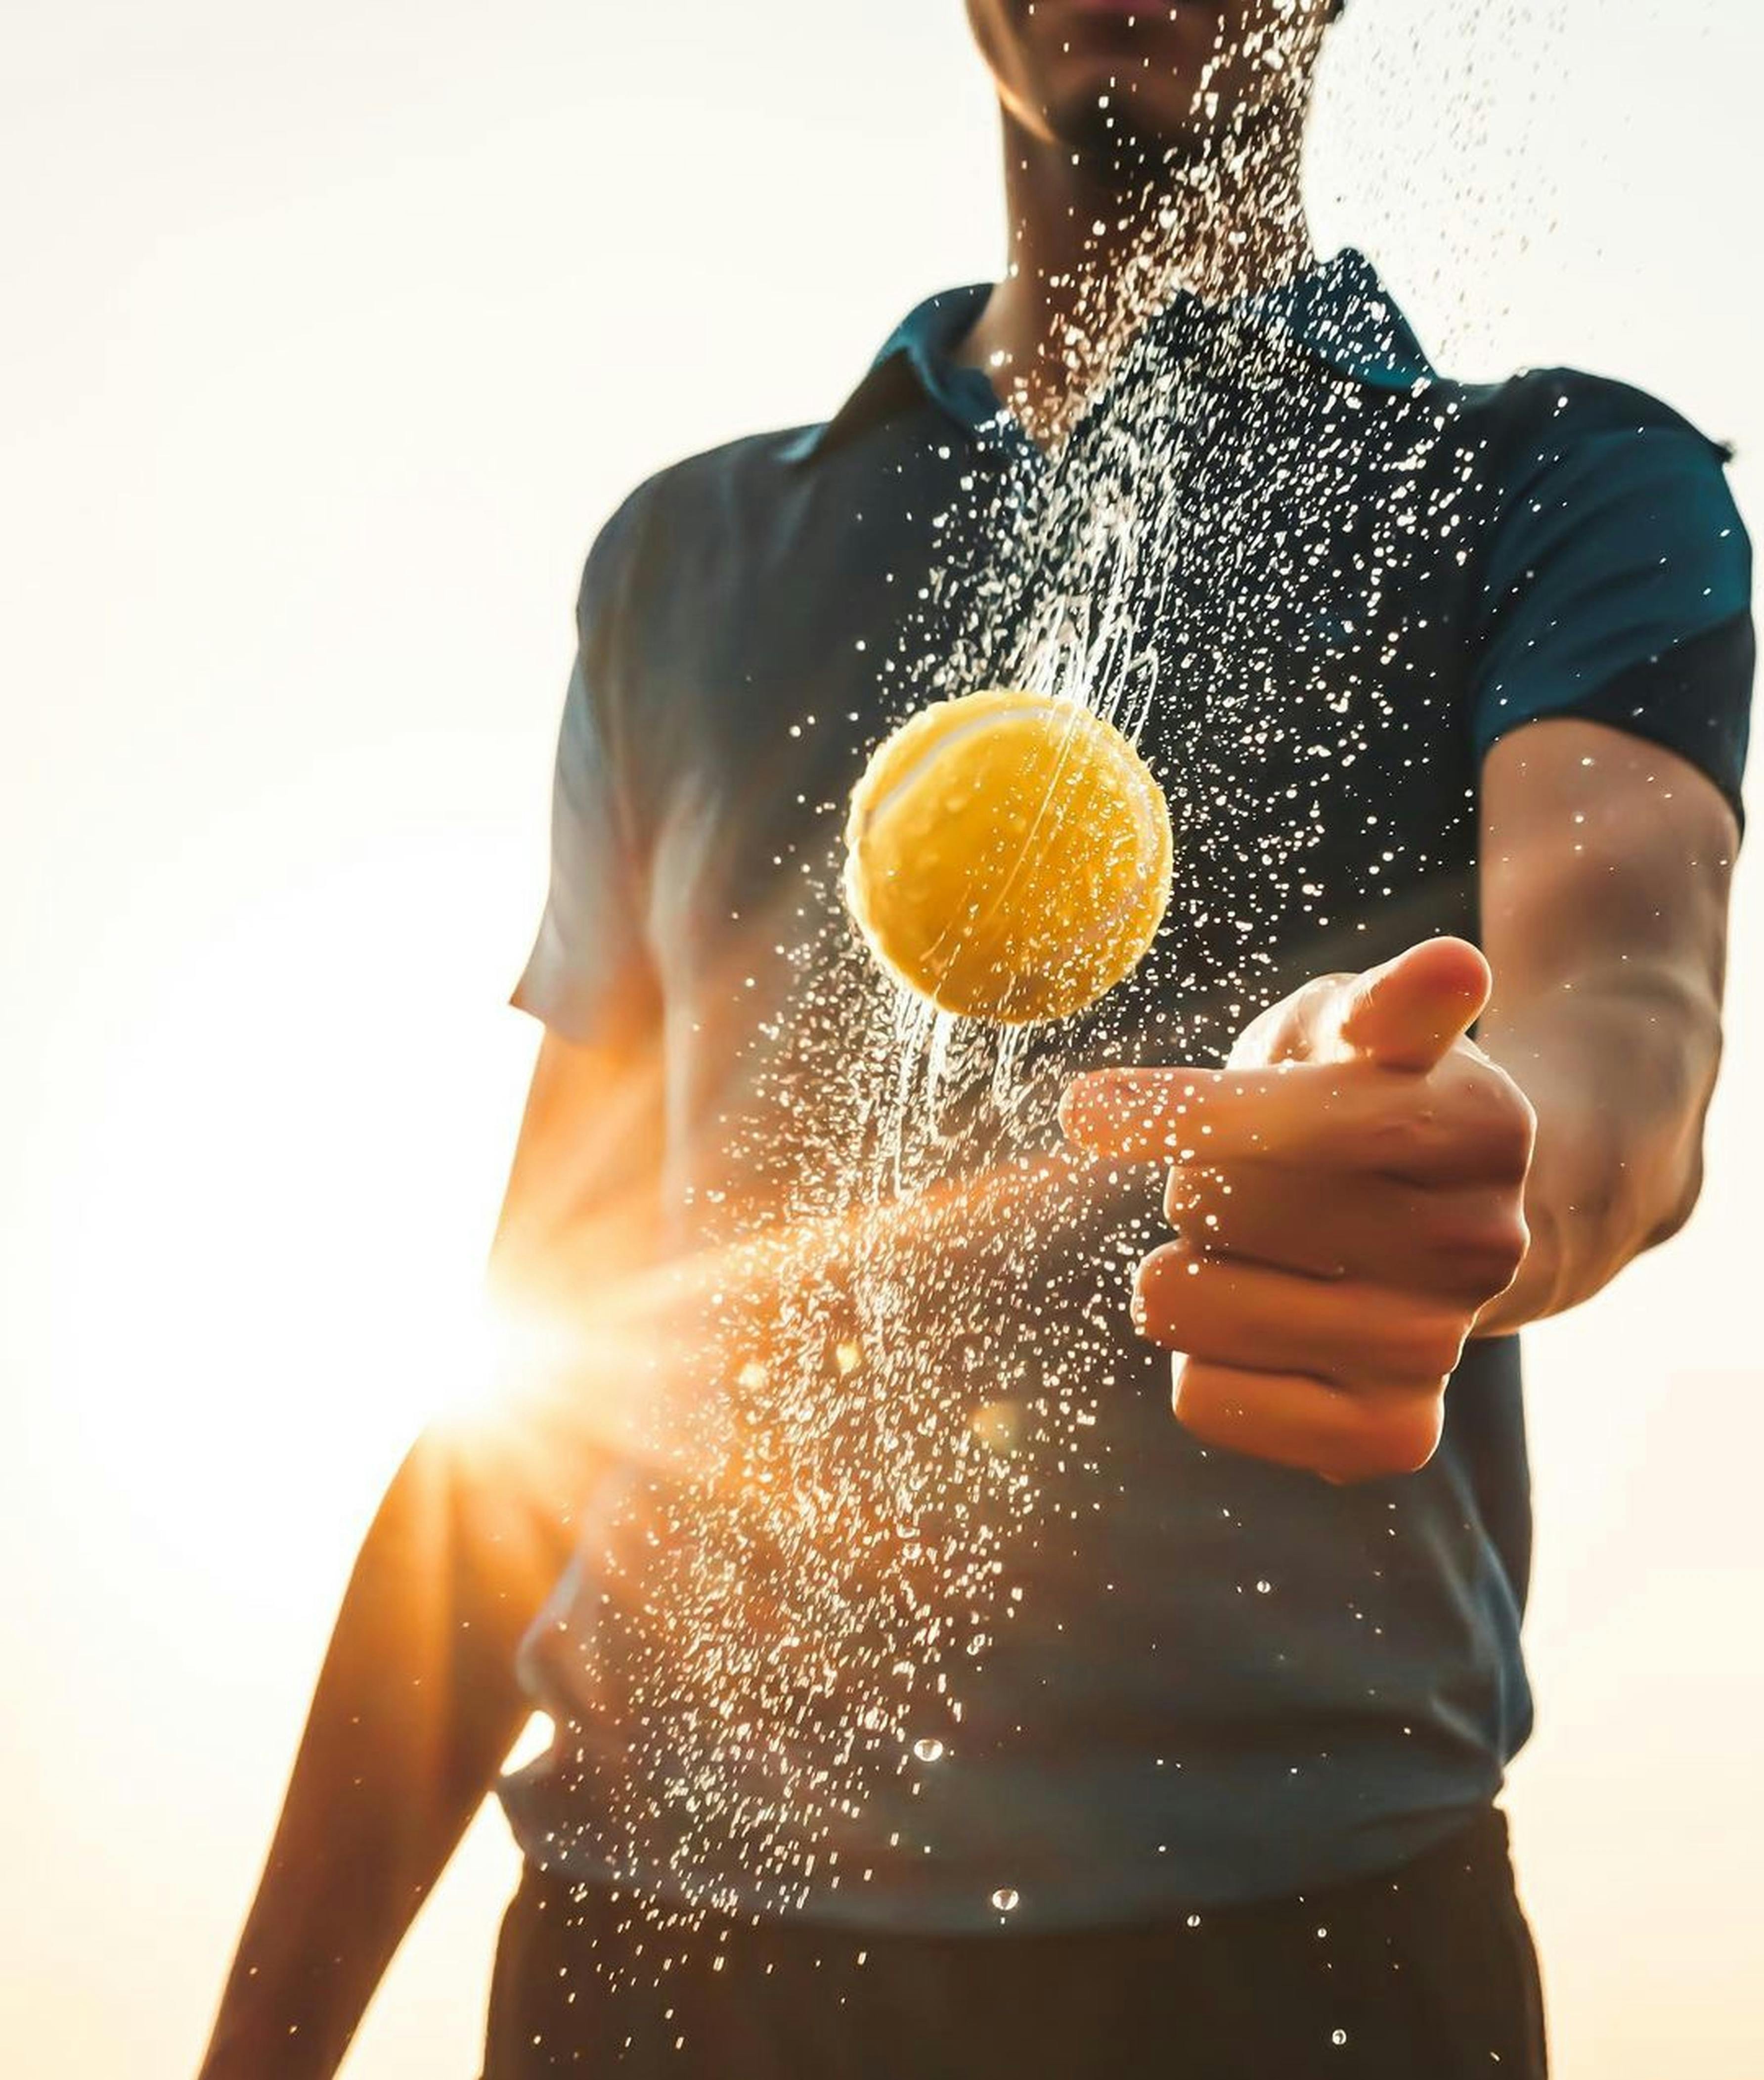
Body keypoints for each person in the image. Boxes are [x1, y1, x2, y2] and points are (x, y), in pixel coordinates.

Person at [197, 3, 1753, 2076]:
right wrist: (260, 2043)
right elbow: (541, 1368)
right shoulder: (684, 559)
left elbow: (1622, 1014)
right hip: (658, 1964)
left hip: (1303, 1957)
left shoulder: (1555, 481)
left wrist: (1499, 1144)